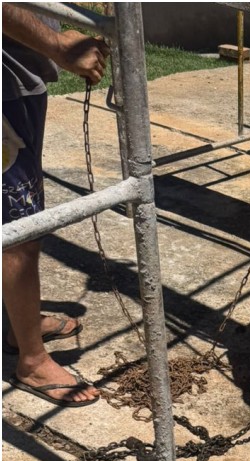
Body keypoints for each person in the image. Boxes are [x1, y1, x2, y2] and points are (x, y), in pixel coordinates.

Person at [2, 7, 105, 407]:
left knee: (20, 213)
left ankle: (19, 326)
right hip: (4, 87)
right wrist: (58, 45)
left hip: (17, 82)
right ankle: (31, 360)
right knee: (18, 227)